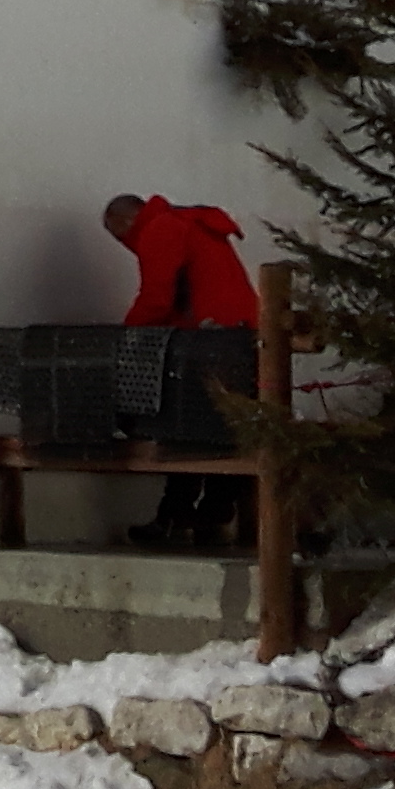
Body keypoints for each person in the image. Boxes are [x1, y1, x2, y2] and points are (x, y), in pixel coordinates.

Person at [106, 193, 260, 550]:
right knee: (223, 427)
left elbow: (157, 298)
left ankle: (177, 517)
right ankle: (209, 511)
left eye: (118, 236)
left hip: (209, 341)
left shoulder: (160, 229)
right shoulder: (188, 222)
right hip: (238, 335)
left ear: (127, 221)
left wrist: (124, 338)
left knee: (184, 427)